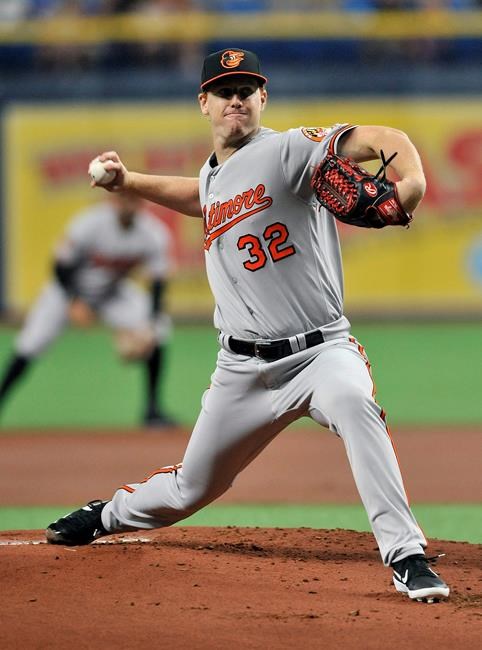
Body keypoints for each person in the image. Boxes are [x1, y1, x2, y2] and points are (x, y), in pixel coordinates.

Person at [46, 48, 449, 603]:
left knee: (356, 407)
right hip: (241, 368)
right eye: (223, 90)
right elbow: (200, 196)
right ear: (204, 103)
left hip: (320, 354)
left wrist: (413, 183)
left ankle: (405, 553)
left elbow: (384, 136)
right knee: (190, 488)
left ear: (263, 99)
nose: (235, 99)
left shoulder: (288, 149)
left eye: (246, 90)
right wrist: (130, 181)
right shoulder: (215, 175)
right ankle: (107, 515)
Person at [0, 192, 176, 428]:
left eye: (134, 200)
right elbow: (60, 266)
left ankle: (152, 410)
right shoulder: (89, 224)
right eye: (123, 199)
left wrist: (148, 330)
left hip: (111, 292)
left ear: (141, 204)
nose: (128, 204)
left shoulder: (153, 233)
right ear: (112, 201)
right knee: (31, 342)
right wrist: (74, 301)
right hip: (66, 290)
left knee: (159, 329)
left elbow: (157, 283)